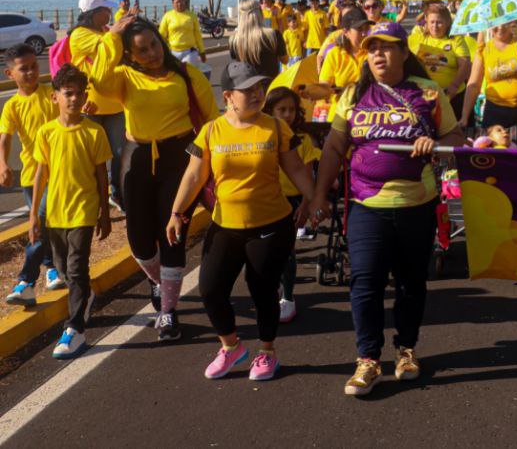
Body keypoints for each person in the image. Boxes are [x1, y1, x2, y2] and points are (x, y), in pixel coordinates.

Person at [311, 22, 463, 397]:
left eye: (387, 47)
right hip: (366, 205)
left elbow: (456, 137)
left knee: (412, 282)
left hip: (417, 203)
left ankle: (407, 350)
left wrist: (435, 142)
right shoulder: (353, 93)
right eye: (372, 48)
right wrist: (317, 196)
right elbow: (333, 147)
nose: (378, 54)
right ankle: (368, 359)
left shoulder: (428, 92)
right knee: (365, 281)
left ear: (404, 52)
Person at [166, 62, 314, 381]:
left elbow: (297, 169)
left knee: (262, 291)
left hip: (272, 224)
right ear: (229, 96)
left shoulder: (275, 127)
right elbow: (193, 175)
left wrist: (314, 199)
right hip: (225, 225)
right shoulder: (211, 131)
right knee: (210, 289)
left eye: (259, 88)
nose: (257, 94)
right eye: (248, 90)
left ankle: (267, 352)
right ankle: (231, 347)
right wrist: (177, 212)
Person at [88, 15, 217, 342]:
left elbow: (213, 122)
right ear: (130, 55)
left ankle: (168, 312)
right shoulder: (124, 76)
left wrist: (214, 162)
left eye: (154, 45)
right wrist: (112, 38)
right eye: (142, 50)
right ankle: (159, 280)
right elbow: (99, 82)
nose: (152, 53)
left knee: (173, 233)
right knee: (140, 241)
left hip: (182, 158)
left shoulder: (185, 75)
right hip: (138, 157)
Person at [28, 65, 112, 359]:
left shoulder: (94, 131)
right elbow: (41, 174)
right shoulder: (47, 133)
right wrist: (33, 217)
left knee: (77, 269)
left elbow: (102, 175)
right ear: (55, 98)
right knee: (63, 270)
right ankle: (85, 296)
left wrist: (104, 211)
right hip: (55, 213)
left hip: (84, 212)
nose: (74, 99)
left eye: (79, 94)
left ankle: (74, 329)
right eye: (68, 94)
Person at [2, 44, 60, 304]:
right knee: (42, 225)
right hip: (30, 177)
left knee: (40, 223)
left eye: (34, 66)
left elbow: (72, 109)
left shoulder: (51, 94)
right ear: (9, 74)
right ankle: (51, 269)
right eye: (23, 69)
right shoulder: (12, 106)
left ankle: (26, 281)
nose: (31, 72)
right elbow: (5, 137)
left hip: (58, 172)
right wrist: (3, 165)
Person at [265, 86, 322, 324]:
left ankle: (288, 298)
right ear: (270, 111)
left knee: (286, 251)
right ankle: (276, 286)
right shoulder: (262, 136)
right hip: (267, 200)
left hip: (293, 201)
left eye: (291, 109)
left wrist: (307, 205)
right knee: (266, 251)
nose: (287, 114)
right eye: (281, 110)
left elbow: (307, 176)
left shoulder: (303, 140)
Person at [69, 0, 127, 209]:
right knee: (92, 159)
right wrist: (117, 31)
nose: (109, 12)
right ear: (93, 13)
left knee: (120, 154)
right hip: (90, 106)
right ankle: (92, 200)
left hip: (115, 104)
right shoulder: (80, 35)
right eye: (105, 10)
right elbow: (106, 48)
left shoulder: (105, 31)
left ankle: (117, 193)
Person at [461, 20, 517, 149]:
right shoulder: (484, 50)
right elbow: (474, 84)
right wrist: (464, 116)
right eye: (495, 24)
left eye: (504, 23)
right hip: (496, 109)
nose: (500, 28)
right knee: (493, 153)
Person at [407, 3, 472, 122]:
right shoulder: (420, 36)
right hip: (425, 96)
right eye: (432, 22)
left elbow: (465, 64)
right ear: (426, 21)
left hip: (453, 96)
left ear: (447, 23)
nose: (435, 26)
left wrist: (454, 85)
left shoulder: (456, 39)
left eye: (439, 22)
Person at [228, 0, 288, 80]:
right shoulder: (273, 35)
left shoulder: (234, 39)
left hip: (247, 86)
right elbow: (285, 60)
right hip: (269, 85)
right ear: (260, 13)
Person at [159, 0, 206, 67]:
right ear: (173, 3)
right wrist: (162, 51)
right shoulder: (167, 16)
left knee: (188, 74)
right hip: (173, 52)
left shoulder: (192, 16)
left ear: (185, 1)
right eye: (177, 2)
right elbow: (161, 35)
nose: (180, 4)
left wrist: (202, 51)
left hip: (189, 52)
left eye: (182, 1)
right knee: (174, 76)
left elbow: (197, 35)